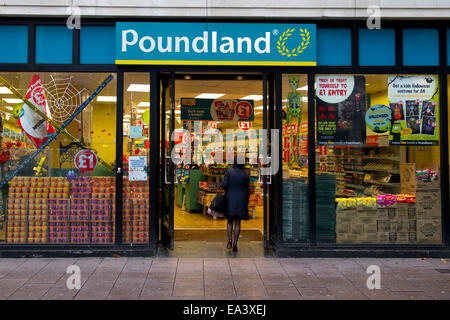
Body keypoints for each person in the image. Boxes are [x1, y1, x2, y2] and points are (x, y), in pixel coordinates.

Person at [220, 154, 250, 252]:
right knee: (238, 222)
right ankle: (235, 244)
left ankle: (229, 240)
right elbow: (247, 189)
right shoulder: (246, 173)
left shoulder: (229, 171)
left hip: (230, 198)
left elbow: (224, 184)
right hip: (241, 199)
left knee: (229, 221)